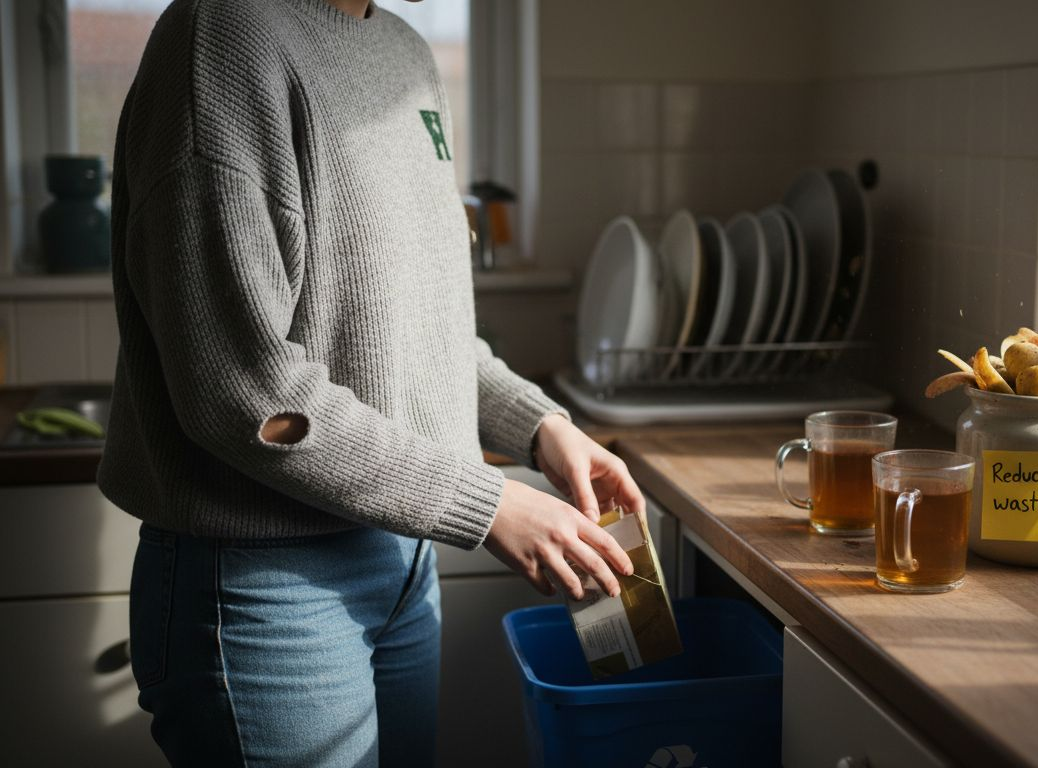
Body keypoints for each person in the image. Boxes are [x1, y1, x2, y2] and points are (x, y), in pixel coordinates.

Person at [97, 0, 642, 764]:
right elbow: (248, 397)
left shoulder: (405, 55)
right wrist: (487, 505)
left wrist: (541, 427)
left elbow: (423, 332)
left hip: (404, 557)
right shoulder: (220, 37)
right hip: (267, 584)